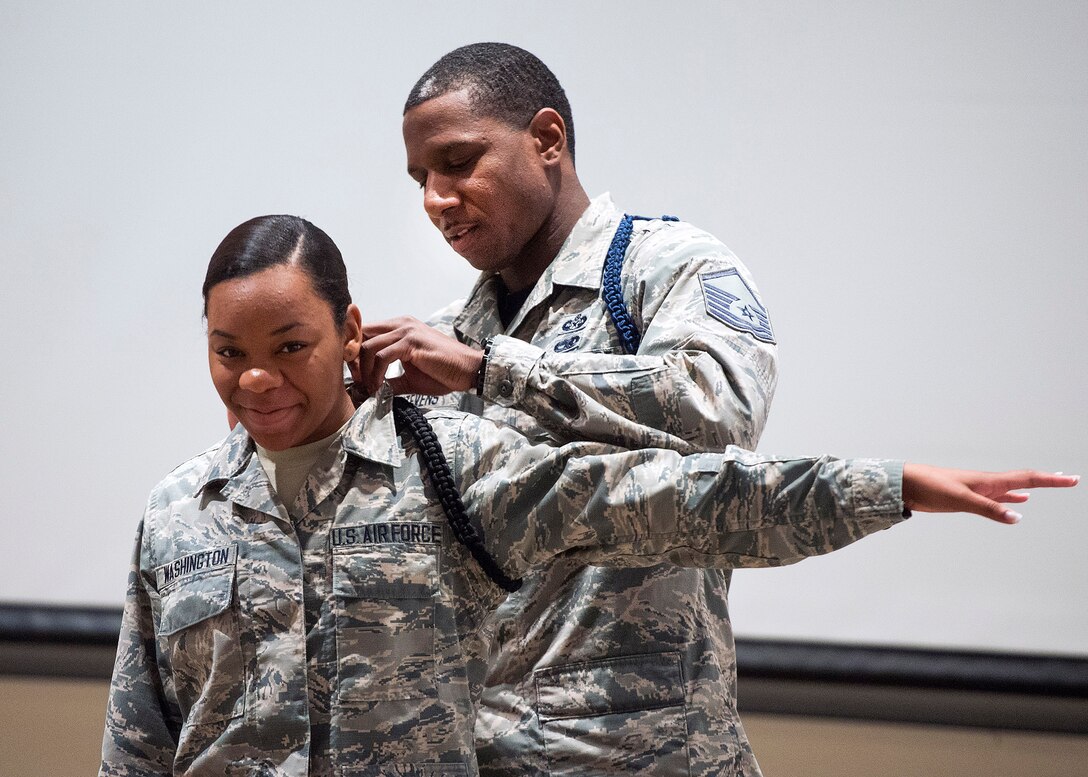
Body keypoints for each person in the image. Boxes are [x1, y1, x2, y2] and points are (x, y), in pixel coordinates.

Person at [100, 214, 1075, 777]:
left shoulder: (450, 469)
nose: (257, 383)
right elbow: (138, 737)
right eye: (228, 355)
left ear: (349, 329)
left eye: (289, 349)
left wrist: (887, 486)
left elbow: (677, 502)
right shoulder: (177, 511)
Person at [353, 41, 777, 776]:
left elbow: (720, 408)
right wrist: (347, 433)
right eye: (421, 178)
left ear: (547, 139)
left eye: (458, 162)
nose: (434, 199)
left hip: (647, 757)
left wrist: (493, 371)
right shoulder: (449, 336)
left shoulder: (663, 266)